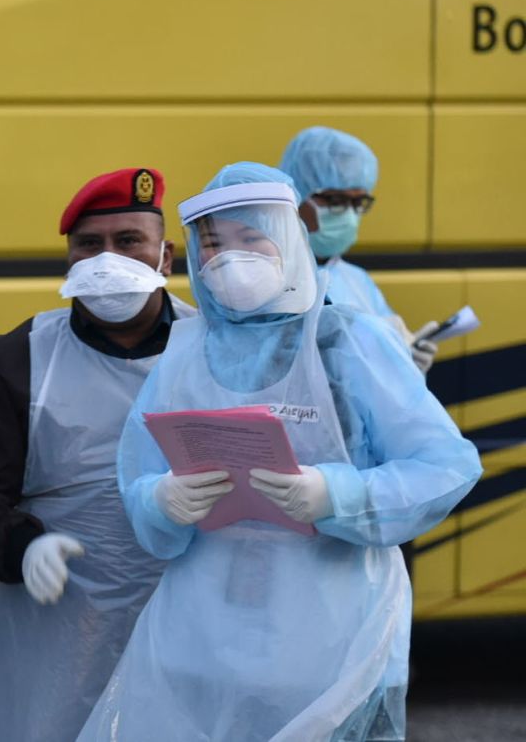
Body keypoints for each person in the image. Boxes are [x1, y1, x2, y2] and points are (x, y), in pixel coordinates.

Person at [78, 162, 482, 741]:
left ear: (289, 241)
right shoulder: (187, 351)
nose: (229, 258)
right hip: (202, 642)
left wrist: (336, 494)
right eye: (213, 244)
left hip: (335, 641)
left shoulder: (346, 342)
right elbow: (139, 479)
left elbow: (447, 466)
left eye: (251, 238)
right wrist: (161, 501)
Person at [0, 167, 194, 742]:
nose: (107, 258)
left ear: (165, 257)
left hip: (183, 619)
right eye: (89, 245)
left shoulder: (212, 351)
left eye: (128, 242)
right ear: (68, 260)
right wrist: (21, 547)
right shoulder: (20, 357)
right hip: (46, 630)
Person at [280, 126, 438, 373]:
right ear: (296, 195)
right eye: (335, 201)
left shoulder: (357, 280)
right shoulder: (270, 276)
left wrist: (405, 365)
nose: (350, 215)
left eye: (358, 202)